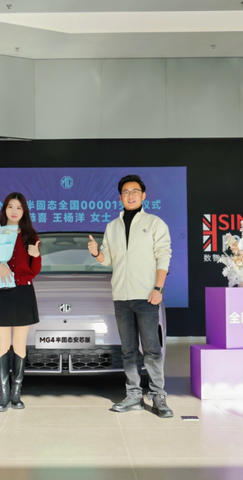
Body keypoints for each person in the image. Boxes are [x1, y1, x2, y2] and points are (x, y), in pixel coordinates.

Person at [87, 174, 173, 418]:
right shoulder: (112, 227)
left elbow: (163, 256)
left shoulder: (155, 223)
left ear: (143, 196)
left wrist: (158, 289)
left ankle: (158, 396)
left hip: (147, 296)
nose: (130, 195)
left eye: (135, 191)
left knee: (152, 350)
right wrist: (96, 253)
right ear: (120, 197)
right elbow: (108, 259)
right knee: (128, 350)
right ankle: (134, 395)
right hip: (121, 298)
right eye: (126, 192)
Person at [0, 192, 41, 412]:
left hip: (23, 293)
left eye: (19, 208)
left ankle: (16, 395)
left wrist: (36, 255)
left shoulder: (31, 235)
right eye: (10, 207)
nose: (14, 211)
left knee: (20, 345)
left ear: (24, 211)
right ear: (5, 209)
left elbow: (34, 271)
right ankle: (4, 396)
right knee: (3, 345)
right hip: (1, 293)